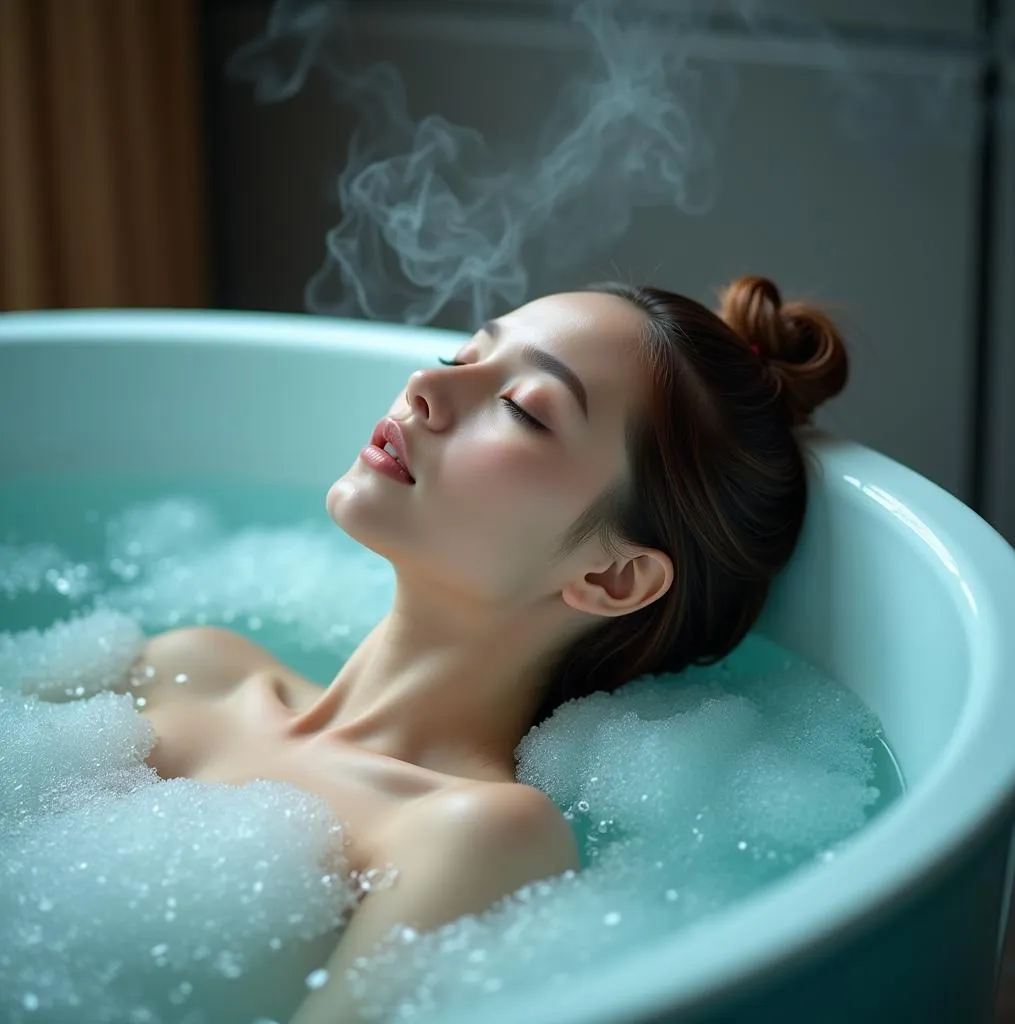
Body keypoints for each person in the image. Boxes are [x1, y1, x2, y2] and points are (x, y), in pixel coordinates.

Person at [130, 276, 849, 1022]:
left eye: (522, 408)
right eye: (461, 354)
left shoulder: (475, 835)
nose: (425, 386)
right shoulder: (187, 665)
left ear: (612, 574)